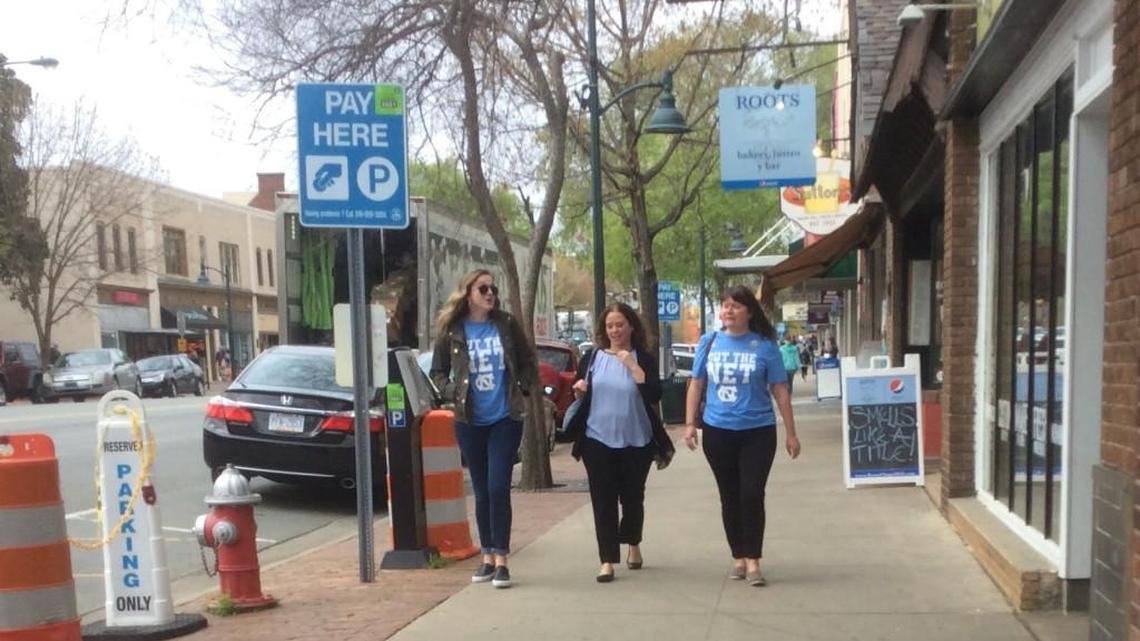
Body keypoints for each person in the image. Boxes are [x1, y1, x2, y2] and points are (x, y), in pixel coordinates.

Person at [683, 286, 800, 587]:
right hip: (718, 430)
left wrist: (791, 432)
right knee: (729, 495)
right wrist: (688, 424)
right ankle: (738, 554)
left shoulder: (764, 345)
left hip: (757, 431)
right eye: (725, 305)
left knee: (751, 492)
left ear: (749, 311)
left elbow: (780, 389)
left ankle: (754, 560)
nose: (729, 311)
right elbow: (696, 384)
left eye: (736, 305)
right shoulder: (709, 343)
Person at [430, 269, 538, 589]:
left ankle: (502, 559)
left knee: (497, 486)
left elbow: (527, 360)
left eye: (493, 288)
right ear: (468, 293)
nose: (490, 293)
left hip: (505, 418)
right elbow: (437, 373)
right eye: (483, 288)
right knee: (480, 489)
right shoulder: (453, 330)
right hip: (469, 421)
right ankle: (487, 557)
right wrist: (452, 393)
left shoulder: (505, 324)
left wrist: (527, 389)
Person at [569, 303, 675, 583]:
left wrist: (631, 365)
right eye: (609, 326)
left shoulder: (643, 358)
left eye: (620, 324)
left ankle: (633, 543)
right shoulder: (592, 357)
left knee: (632, 497)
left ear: (631, 326)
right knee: (602, 499)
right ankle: (606, 560)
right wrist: (580, 390)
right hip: (597, 438)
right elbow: (582, 389)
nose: (615, 330)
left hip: (636, 439)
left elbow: (654, 394)